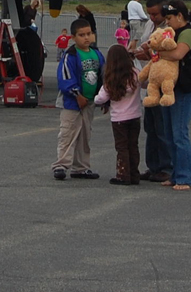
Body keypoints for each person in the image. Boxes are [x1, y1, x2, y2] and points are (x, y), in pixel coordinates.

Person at [158, 0, 191, 190]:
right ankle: (176, 174)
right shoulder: (172, 33)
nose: (167, 22)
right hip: (170, 87)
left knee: (179, 133)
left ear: (179, 16)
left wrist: (156, 53)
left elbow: (177, 54)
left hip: (185, 88)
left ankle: (185, 177)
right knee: (169, 133)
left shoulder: (188, 33)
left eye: (169, 18)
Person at [53, 18, 102, 180]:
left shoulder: (97, 54)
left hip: (89, 103)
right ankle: (61, 165)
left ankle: (81, 167)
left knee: (84, 135)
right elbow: (66, 77)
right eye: (81, 35)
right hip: (72, 103)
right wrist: (77, 95)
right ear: (73, 37)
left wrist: (104, 98)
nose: (86, 38)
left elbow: (103, 75)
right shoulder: (71, 56)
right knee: (68, 133)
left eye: (89, 34)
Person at [131, 0, 172, 183]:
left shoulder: (169, 29)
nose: (152, 18)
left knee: (162, 127)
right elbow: (146, 44)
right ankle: (153, 166)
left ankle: (166, 167)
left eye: (155, 14)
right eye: (150, 14)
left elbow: (165, 53)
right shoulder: (150, 24)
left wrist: (148, 54)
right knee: (150, 127)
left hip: (163, 80)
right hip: (151, 81)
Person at [94, 43, 143, 185]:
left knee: (122, 147)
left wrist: (95, 99)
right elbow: (144, 82)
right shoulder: (135, 73)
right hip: (135, 116)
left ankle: (123, 174)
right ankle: (134, 174)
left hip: (119, 118)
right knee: (133, 146)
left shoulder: (112, 78)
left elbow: (101, 98)